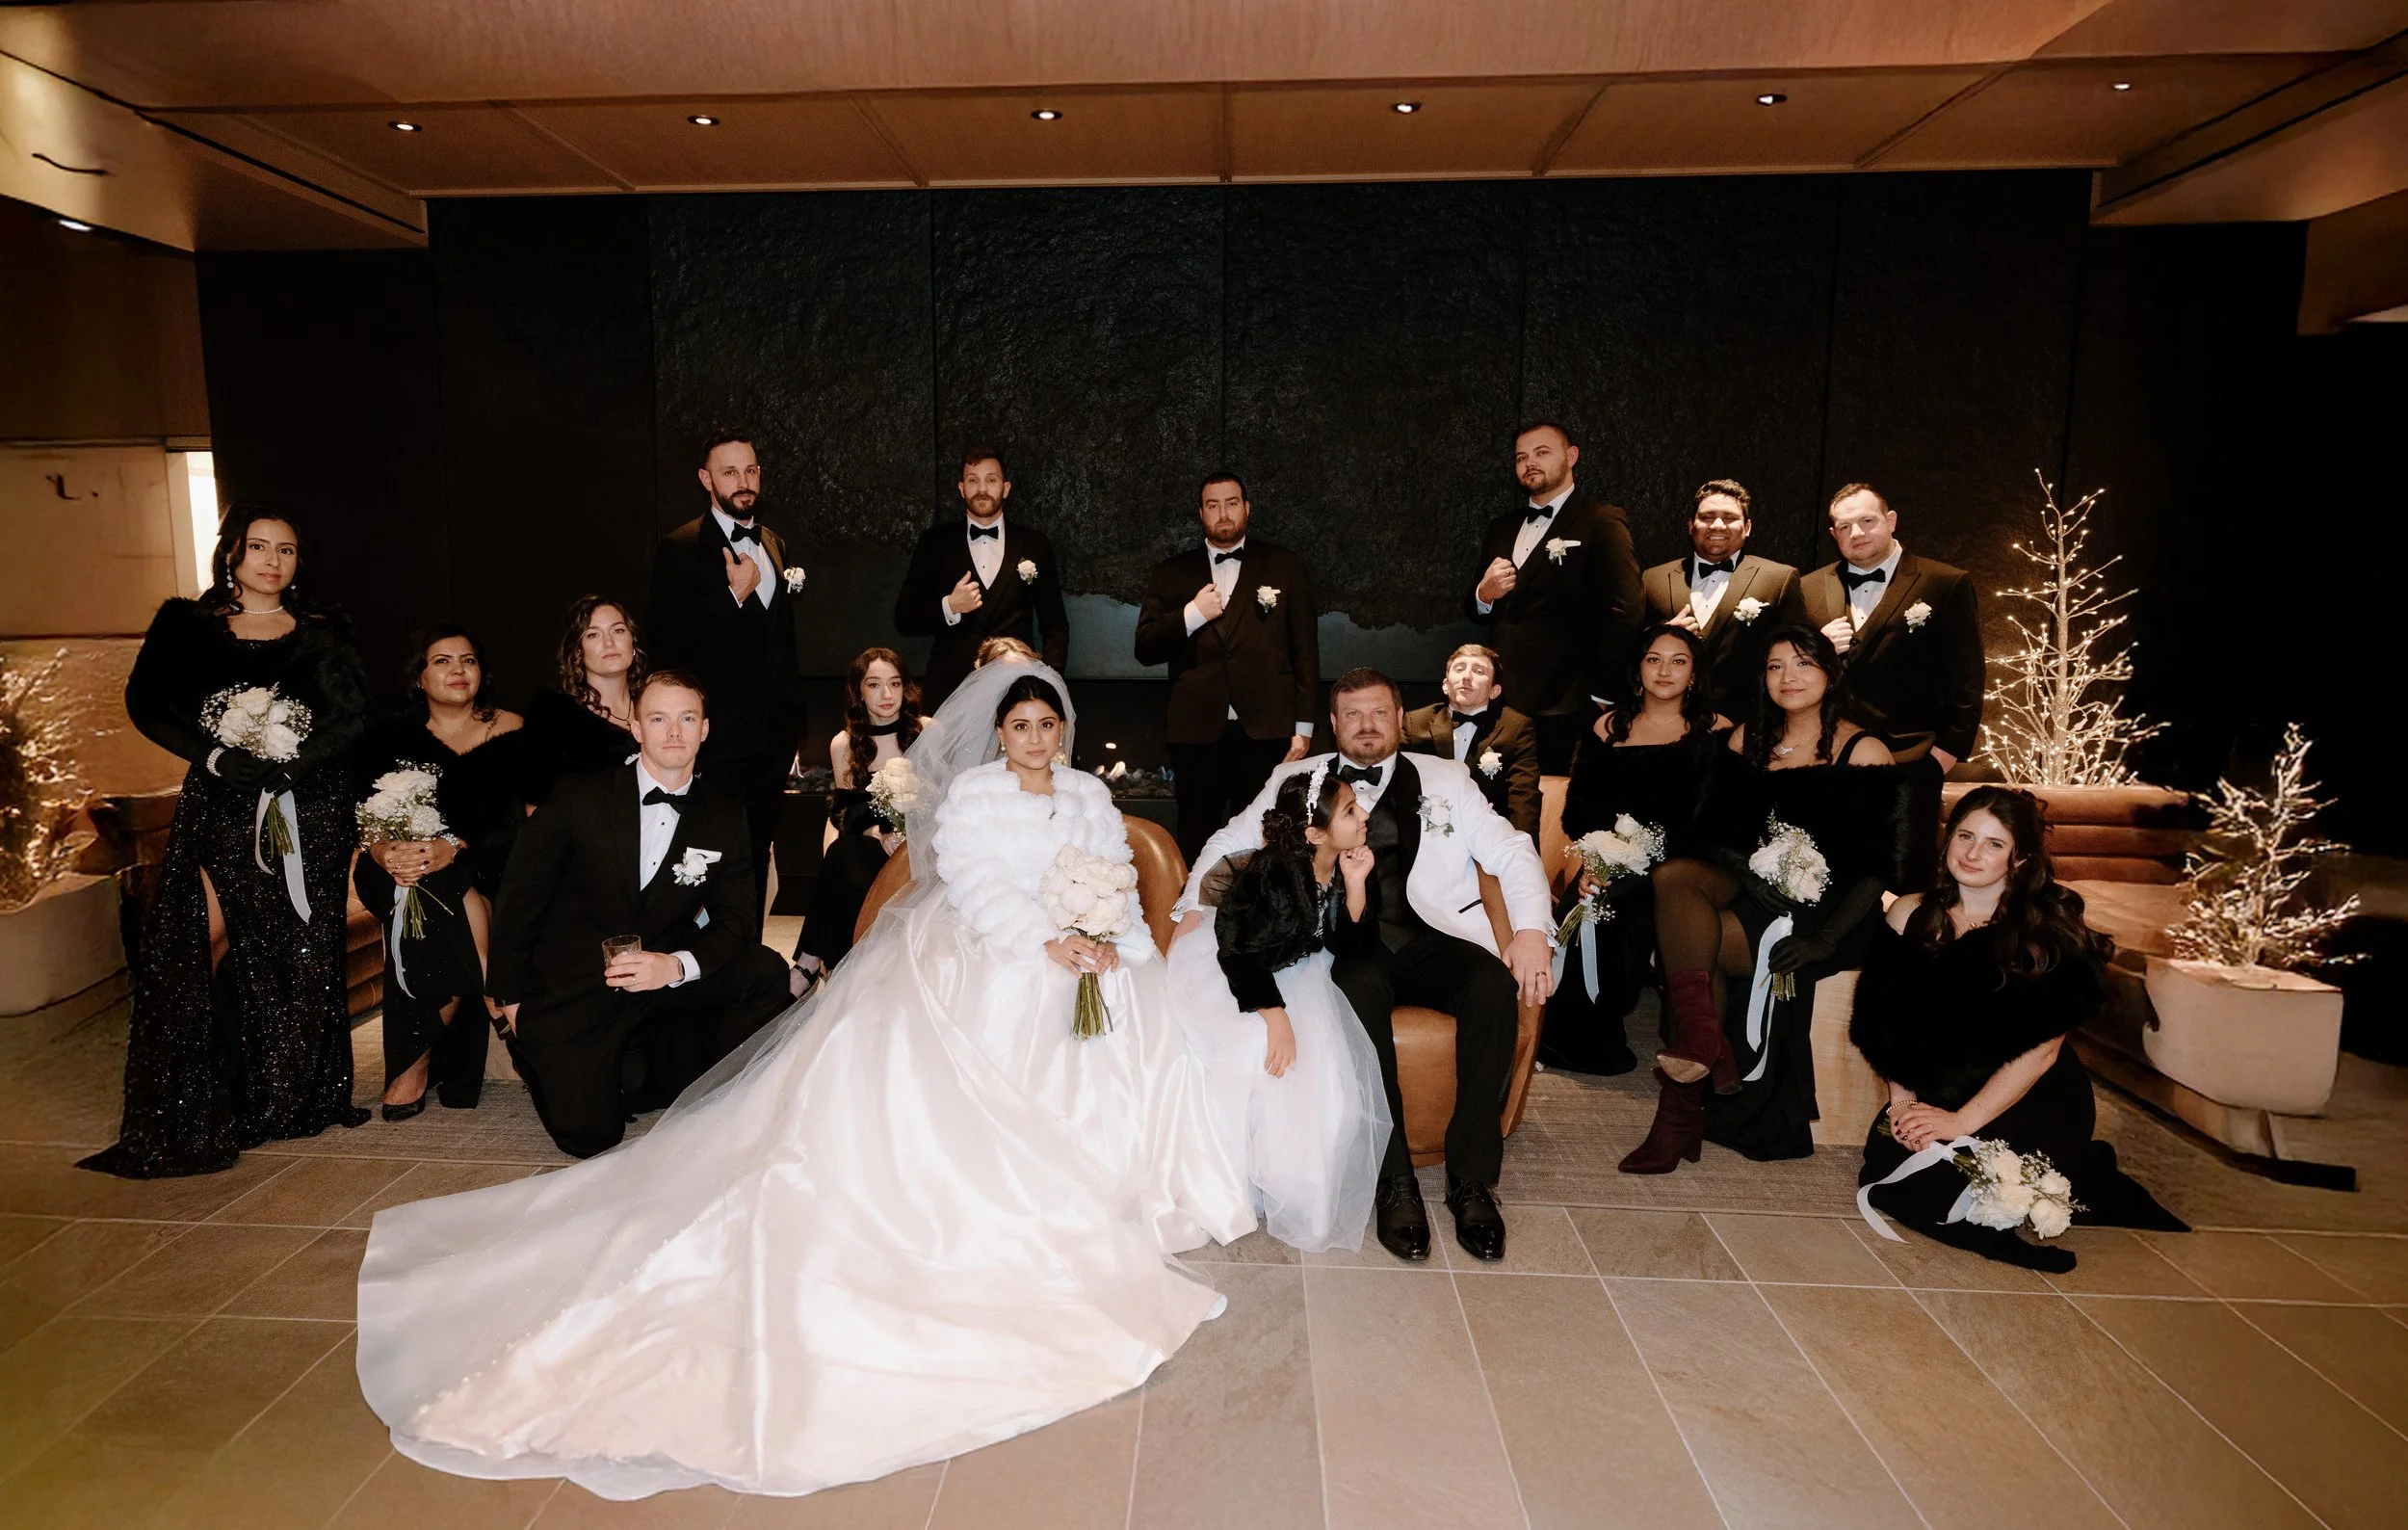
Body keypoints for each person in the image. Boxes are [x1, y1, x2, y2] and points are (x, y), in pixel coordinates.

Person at [358, 661, 1251, 1501]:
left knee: (1135, 991)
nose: (1033, 737)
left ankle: (1112, 1177)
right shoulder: (975, 799)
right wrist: (1047, 939)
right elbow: (979, 887)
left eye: (1046, 724)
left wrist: (1110, 937)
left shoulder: (1092, 795)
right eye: (1018, 724)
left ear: (1063, 730)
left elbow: (1117, 883)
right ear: (1001, 733)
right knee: (1020, 992)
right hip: (1000, 939)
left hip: (1079, 941)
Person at [1184, 668, 1554, 1263]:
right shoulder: (1295, 779)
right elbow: (1229, 840)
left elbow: (1510, 849)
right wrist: (1188, 910)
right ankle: (1395, 1182)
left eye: (1379, 712)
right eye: (1352, 714)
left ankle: (1471, 1178)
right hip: (1347, 943)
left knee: (1489, 986)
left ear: (1400, 718)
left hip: (1429, 932)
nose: (1367, 724)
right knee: (1357, 994)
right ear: (1333, 725)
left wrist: (1532, 929)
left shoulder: (1447, 778)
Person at [81, 506, 372, 1178]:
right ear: (232, 552)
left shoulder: (323, 633)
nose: (273, 561)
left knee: (303, 952)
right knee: (197, 940)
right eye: (259, 547)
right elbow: (146, 705)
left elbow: (354, 715)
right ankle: (203, 1095)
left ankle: (297, 1098)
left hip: (313, 808)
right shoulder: (188, 628)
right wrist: (214, 758)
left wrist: (296, 764)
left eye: (288, 550)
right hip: (222, 804)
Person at [1623, 624, 1919, 1174]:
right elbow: (1711, 832)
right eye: (1776, 666)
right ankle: (1701, 1040)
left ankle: (1678, 1111)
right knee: (1674, 876)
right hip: (1751, 887)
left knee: (1697, 946)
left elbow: (1880, 869)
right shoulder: (1745, 739)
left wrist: (1824, 938)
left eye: (1804, 664)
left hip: (1827, 912)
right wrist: (1746, 872)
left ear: (1830, 674)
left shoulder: (1864, 749)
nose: (1789, 678)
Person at [1853, 787, 2186, 1272]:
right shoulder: (1909, 914)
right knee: (1889, 1173)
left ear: (2020, 858)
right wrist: (1903, 1101)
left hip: (2031, 1096)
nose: (1972, 853)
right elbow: (1886, 1023)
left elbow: (2042, 1053)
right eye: (1965, 836)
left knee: (1962, 1197)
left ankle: (2078, 1169)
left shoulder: (2042, 931)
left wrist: (1960, 1123)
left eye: (1994, 844)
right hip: (1938, 1085)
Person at [482, 671, 792, 1160]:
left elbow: (736, 922)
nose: (674, 732)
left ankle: (709, 1094)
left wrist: (676, 966)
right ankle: (558, 1059)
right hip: (577, 988)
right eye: (659, 718)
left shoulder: (725, 815)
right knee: (592, 1138)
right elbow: (520, 900)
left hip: (659, 980)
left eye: (687, 718)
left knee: (767, 971)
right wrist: (511, 1001)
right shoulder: (578, 797)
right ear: (636, 726)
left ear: (704, 729)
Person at [1169, 766, 1390, 1252]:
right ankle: (1228, 1180)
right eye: (1352, 811)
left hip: (1297, 969)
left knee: (1320, 1069)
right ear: (1314, 833)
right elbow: (1239, 953)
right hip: (1234, 967)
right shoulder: (1273, 876)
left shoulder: (1346, 860)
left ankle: (1298, 1179)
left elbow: (1353, 946)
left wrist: (1355, 883)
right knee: (1257, 1053)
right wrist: (1276, 1017)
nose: (1364, 815)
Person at [353, 626, 525, 1121]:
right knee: (433, 887)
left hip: (482, 858)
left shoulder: (508, 727)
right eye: (442, 661)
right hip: (394, 866)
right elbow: (363, 814)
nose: (457, 670)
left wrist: (451, 846)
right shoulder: (389, 735)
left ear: (481, 672)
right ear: (419, 675)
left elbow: (517, 814)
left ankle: (413, 1067)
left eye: (467, 661)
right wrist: (386, 852)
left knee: (444, 891)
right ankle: (496, 986)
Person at [1540, 624, 1729, 1074]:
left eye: (1678, 661)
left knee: (1623, 907)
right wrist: (1597, 857)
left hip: (1683, 868)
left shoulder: (1718, 730)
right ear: (1637, 667)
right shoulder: (1607, 727)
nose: (1665, 670)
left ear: (1695, 673)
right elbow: (1581, 813)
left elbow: (1719, 816)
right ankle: (1570, 1039)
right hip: (1612, 859)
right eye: (1653, 659)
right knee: (1581, 908)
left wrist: (1649, 858)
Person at [649, 426, 810, 910]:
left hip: (773, 736)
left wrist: (793, 718)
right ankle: (701, 965)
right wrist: (732, 595)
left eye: (751, 470)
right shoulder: (679, 547)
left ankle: (748, 964)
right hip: (716, 738)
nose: (743, 481)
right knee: (709, 852)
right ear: (706, 479)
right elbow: (665, 643)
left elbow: (780, 639)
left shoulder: (777, 544)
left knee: (758, 851)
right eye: (730, 472)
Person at [1135, 471, 1320, 862]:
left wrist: (1303, 728)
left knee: (1270, 838)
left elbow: (1305, 650)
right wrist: (1190, 615)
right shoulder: (1170, 573)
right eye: (1213, 505)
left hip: (1267, 731)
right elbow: (1146, 648)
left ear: (1247, 508)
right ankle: (1192, 918)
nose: (1223, 514)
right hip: (1196, 733)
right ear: (1201, 513)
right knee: (1196, 836)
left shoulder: (1284, 565)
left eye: (1231, 503)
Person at [1466, 422, 1642, 777]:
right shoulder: (1501, 527)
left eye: (1542, 452)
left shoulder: (1602, 520)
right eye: (1521, 457)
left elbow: (1627, 610)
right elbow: (1476, 610)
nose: (1530, 463)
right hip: (1503, 702)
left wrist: (1602, 694)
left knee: (1562, 808)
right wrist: (1484, 594)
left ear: (1571, 456)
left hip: (1569, 703)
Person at [1797, 483, 1984, 775]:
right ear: (1834, 536)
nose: (1856, 533)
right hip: (1829, 758)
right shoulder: (1808, 588)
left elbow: (1967, 679)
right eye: (1844, 527)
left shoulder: (1945, 583)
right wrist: (1819, 650)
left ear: (1891, 521)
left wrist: (1946, 754)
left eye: (1867, 520)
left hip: (1913, 756)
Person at [790, 646, 933, 989]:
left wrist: (910, 834)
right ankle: (839, 971)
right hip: (875, 847)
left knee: (843, 860)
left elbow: (942, 801)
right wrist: (877, 835)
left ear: (905, 688)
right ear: (858, 691)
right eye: (874, 685)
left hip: (922, 850)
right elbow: (848, 812)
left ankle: (808, 965)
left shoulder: (927, 731)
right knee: (845, 855)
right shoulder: (845, 743)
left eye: (895, 684)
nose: (886, 695)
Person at [894, 447, 1070, 703]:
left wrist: (1046, 681)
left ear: (1006, 488)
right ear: (961, 488)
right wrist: (949, 607)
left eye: (991, 480)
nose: (982, 489)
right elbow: (904, 619)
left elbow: (1055, 626)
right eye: (973, 480)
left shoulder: (1034, 544)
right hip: (950, 691)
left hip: (1016, 689)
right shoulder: (934, 543)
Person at [1640, 479, 1807, 712]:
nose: (1717, 525)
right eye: (1707, 517)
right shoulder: (1653, 578)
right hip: (1667, 716)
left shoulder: (1779, 578)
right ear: (1690, 525)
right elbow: (1628, 646)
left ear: (1747, 527)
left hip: (1746, 720)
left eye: (1729, 518)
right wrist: (1663, 634)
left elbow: (1794, 653)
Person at [1400, 644, 1539, 839]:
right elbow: (1397, 786)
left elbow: (1524, 798)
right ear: (1446, 685)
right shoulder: (1415, 723)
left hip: (1488, 838)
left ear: (1494, 690)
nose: (1466, 676)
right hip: (1426, 837)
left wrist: (1526, 857)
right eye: (1459, 669)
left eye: (1478, 671)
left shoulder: (1515, 728)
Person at [520, 595, 644, 806]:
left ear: (632, 641)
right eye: (593, 634)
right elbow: (536, 806)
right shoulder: (553, 713)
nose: (609, 642)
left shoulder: (659, 703)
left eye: (618, 630)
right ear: (578, 650)